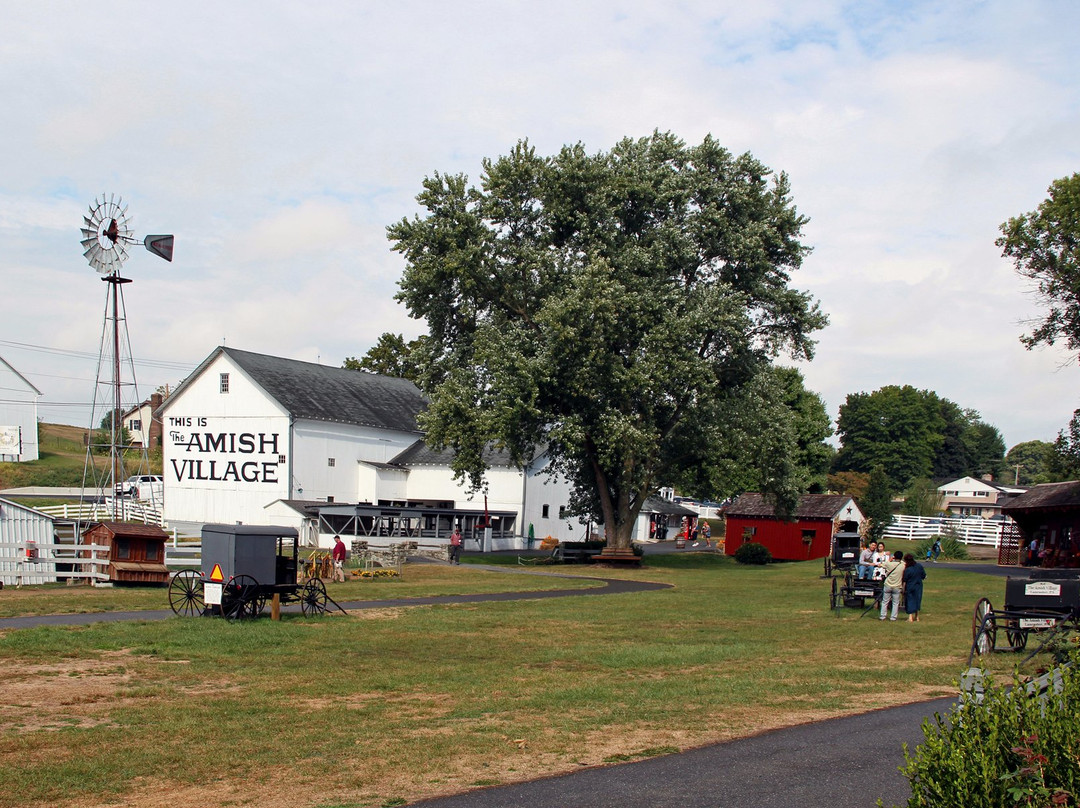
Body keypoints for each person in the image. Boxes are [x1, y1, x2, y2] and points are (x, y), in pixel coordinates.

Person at [879, 550, 905, 621]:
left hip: (888, 585)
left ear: (894, 557)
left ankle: (882, 616)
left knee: (885, 602)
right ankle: (893, 617)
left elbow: (881, 564)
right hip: (897, 586)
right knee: (895, 603)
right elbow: (904, 563)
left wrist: (890, 560)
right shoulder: (902, 565)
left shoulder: (889, 564)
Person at [903, 553, 927, 622]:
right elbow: (923, 576)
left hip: (910, 586)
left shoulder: (907, 569)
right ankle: (917, 617)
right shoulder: (919, 566)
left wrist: (903, 589)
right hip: (918, 586)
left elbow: (905, 580)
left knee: (910, 600)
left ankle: (910, 617)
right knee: (917, 600)